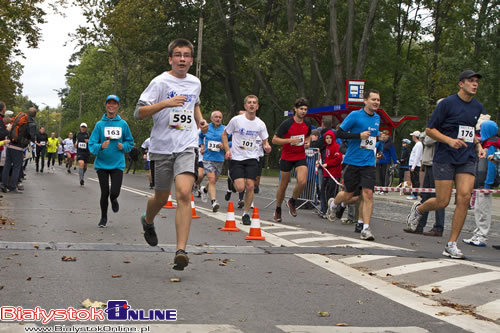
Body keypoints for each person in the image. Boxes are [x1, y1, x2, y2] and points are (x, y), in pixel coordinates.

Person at [135, 38, 208, 271]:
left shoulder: (195, 82)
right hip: (162, 148)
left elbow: (194, 104)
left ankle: (181, 251)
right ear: (170, 59)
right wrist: (165, 103)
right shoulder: (159, 82)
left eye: (186, 55)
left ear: (191, 60)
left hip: (186, 145)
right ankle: (148, 221)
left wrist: (200, 120)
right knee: (162, 197)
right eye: (178, 55)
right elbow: (139, 113)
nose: (182, 59)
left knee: (184, 193)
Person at [406, 70, 486, 259]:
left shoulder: (477, 107)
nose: (475, 84)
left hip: (466, 157)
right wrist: (449, 141)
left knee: (464, 197)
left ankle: (451, 244)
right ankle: (419, 209)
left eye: (476, 82)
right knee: (442, 201)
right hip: (445, 156)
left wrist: (479, 145)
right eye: (470, 81)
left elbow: (469, 131)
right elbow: (430, 130)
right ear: (461, 84)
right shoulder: (447, 104)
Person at [326, 89, 381, 241]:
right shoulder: (355, 116)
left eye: (378, 100)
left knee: (367, 194)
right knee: (349, 194)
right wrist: (358, 136)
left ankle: (365, 228)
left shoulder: (377, 118)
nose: (376, 102)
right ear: (365, 101)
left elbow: (372, 139)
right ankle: (334, 205)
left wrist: (377, 144)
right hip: (352, 162)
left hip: (369, 162)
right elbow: (339, 133)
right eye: (373, 99)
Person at [222, 95, 271, 225]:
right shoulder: (236, 120)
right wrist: (227, 150)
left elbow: (265, 141)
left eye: (254, 103)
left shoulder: (260, 123)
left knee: (250, 186)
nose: (251, 105)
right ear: (245, 106)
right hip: (236, 158)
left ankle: (246, 213)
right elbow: (225, 135)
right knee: (240, 187)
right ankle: (232, 182)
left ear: (257, 106)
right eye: (249, 103)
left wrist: (266, 146)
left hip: (252, 158)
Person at [89, 95, 134, 227]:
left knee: (114, 192)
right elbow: (91, 144)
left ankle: (114, 199)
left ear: (117, 106)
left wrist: (124, 146)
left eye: (114, 104)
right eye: (109, 103)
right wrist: (100, 146)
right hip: (102, 164)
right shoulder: (99, 125)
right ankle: (103, 217)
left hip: (117, 164)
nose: (111, 106)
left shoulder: (123, 124)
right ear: (106, 105)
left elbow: (130, 142)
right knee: (104, 192)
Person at [272, 97, 312, 222]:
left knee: (303, 181)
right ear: (295, 109)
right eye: (301, 109)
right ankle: (278, 209)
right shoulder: (287, 124)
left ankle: (292, 201)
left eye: (305, 109)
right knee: (283, 185)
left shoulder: (307, 124)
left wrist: (308, 142)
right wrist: (289, 140)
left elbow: (309, 135)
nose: (303, 111)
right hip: (287, 157)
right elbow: (274, 140)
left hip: (300, 156)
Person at [463, 120, 499, 247]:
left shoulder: (491, 145)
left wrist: (487, 184)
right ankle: (477, 233)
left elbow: (491, 167)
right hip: (481, 183)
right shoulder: (487, 144)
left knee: (483, 210)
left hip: (485, 184)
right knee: (478, 209)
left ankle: (482, 236)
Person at [404, 130, 445, 236]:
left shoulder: (440, 128)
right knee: (425, 196)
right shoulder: (433, 129)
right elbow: (423, 137)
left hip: (436, 163)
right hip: (429, 163)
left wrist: (427, 135)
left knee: (438, 198)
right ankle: (419, 225)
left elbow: (427, 140)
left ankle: (438, 227)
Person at [1, 107, 37, 193]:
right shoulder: (31, 123)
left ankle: (3, 185)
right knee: (17, 167)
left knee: (7, 166)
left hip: (9, 144)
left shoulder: (20, 119)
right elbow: (32, 136)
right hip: (18, 147)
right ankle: (13, 187)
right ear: (35, 115)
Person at [199, 110, 226, 212]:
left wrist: (224, 145)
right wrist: (201, 146)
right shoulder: (206, 128)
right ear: (211, 118)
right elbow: (200, 137)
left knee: (214, 180)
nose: (218, 119)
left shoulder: (225, 129)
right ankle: (214, 202)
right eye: (216, 117)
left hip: (219, 158)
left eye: (220, 117)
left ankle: (204, 189)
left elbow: (232, 141)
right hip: (208, 157)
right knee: (212, 179)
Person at [320, 130, 342, 216]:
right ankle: (325, 209)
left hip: (334, 174)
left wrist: (327, 164)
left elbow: (338, 159)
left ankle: (332, 210)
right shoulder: (327, 147)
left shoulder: (336, 146)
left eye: (330, 138)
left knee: (331, 192)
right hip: (327, 173)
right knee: (323, 191)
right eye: (327, 138)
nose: (328, 140)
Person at [407, 130, 423, 200]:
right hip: (414, 164)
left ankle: (415, 194)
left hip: (415, 165)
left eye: (413, 136)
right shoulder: (417, 144)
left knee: (415, 180)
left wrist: (413, 166)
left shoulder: (419, 145)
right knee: (413, 180)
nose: (412, 137)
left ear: (415, 136)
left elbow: (417, 156)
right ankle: (414, 194)